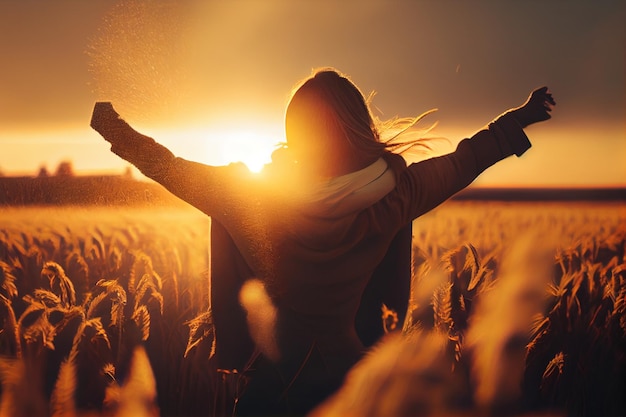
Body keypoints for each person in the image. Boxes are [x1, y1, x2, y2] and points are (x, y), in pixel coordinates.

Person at [90, 68, 555, 416]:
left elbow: (169, 168)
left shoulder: (249, 201)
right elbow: (463, 161)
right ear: (357, 127)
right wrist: (520, 119)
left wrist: (114, 130)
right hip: (355, 385)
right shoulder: (396, 195)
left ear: (298, 135)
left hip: (270, 388)